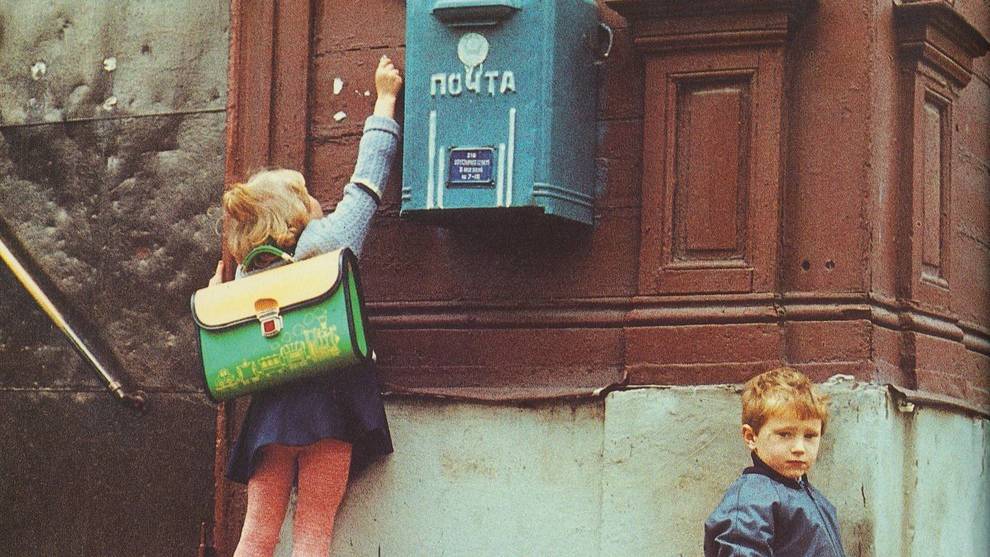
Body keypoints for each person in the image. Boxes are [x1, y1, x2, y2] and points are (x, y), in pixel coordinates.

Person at [208, 55, 402, 557]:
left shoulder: (249, 272)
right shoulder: (324, 244)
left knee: (257, 534)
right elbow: (366, 186)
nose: (317, 200)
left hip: (271, 414)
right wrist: (384, 100)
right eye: (308, 195)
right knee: (313, 531)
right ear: (297, 212)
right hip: (329, 408)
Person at [703, 367, 847, 557]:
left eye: (810, 436)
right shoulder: (751, 499)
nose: (799, 448)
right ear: (751, 437)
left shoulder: (814, 498)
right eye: (785, 434)